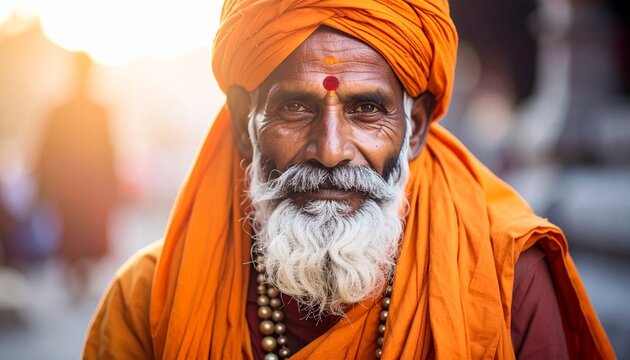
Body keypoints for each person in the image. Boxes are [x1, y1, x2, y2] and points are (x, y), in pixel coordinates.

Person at [83, 1, 614, 359]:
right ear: (246, 125)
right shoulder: (150, 299)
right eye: (295, 107)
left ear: (416, 129)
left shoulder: (508, 280)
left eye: (366, 109)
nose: (332, 151)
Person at [37, 52, 117, 297]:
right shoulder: (72, 111)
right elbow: (47, 150)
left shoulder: (92, 111)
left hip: (83, 188)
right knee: (73, 233)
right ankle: (76, 273)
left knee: (82, 234)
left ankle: (79, 273)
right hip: (73, 188)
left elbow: (108, 151)